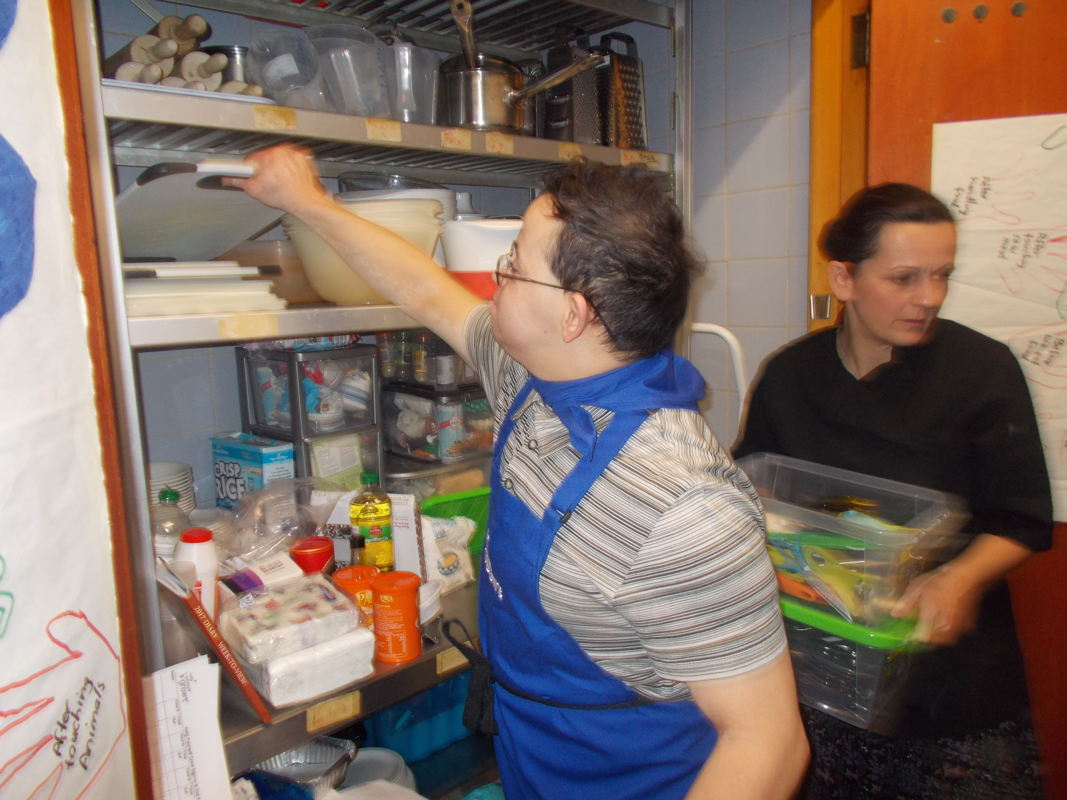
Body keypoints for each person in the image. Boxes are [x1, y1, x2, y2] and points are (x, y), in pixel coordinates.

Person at [229, 144, 809, 799]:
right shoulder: (533, 381)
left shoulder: (680, 505)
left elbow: (767, 741)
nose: (494, 278)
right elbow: (425, 290)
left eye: (513, 266)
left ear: (572, 314)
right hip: (537, 764)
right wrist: (306, 202)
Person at [734, 182, 1052, 799]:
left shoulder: (982, 370)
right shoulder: (790, 376)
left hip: (951, 687)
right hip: (824, 672)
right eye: (904, 278)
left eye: (941, 276)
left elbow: (1022, 519)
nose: (929, 297)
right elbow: (751, 500)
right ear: (844, 279)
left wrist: (958, 578)